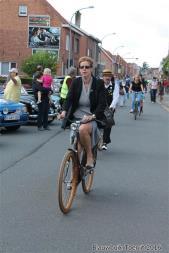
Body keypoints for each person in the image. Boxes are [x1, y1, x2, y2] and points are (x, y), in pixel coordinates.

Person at [60, 56, 106, 169]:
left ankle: (90, 156)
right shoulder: (76, 82)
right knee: (77, 149)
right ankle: (75, 176)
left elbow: (102, 104)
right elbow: (69, 99)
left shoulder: (98, 83)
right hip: (77, 117)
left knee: (82, 129)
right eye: (81, 67)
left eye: (87, 67)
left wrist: (92, 116)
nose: (84, 69)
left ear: (91, 69)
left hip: (92, 117)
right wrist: (64, 111)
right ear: (79, 69)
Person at [101, 69, 119, 150]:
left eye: (108, 76)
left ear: (111, 77)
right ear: (103, 77)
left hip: (109, 108)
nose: (107, 78)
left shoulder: (115, 86)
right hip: (99, 107)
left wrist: (111, 107)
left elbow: (116, 97)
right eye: (105, 76)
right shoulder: (99, 84)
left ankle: (105, 142)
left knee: (108, 124)